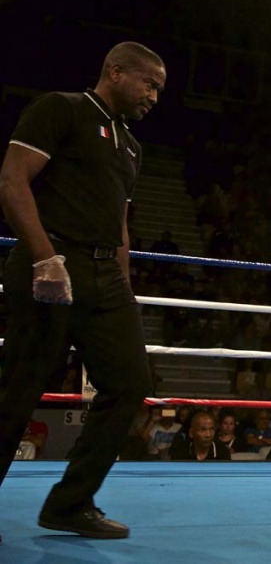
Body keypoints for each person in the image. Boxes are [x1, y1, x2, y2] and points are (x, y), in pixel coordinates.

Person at [0, 41, 164, 539]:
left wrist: (123, 285)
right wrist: (44, 258)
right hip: (49, 262)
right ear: (115, 72)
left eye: (159, 89)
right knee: (17, 391)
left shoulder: (131, 146)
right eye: (149, 84)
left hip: (104, 277)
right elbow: (12, 179)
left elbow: (119, 224)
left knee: (130, 383)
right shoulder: (62, 109)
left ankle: (70, 504)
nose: (154, 97)